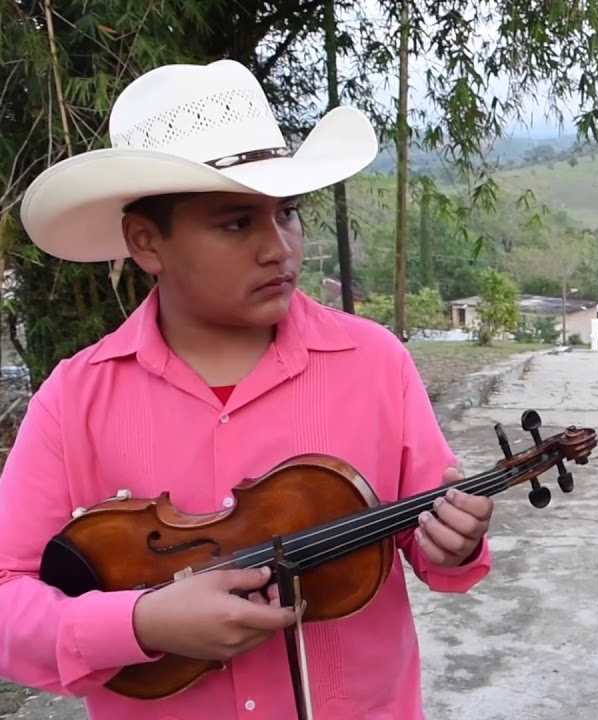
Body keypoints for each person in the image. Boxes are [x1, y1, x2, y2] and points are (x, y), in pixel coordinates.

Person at [0, 59, 495, 719]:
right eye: (237, 223)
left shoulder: (373, 363)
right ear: (148, 243)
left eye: (286, 214)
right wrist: (140, 623)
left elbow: (430, 546)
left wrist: (454, 542)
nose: (279, 247)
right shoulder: (76, 399)